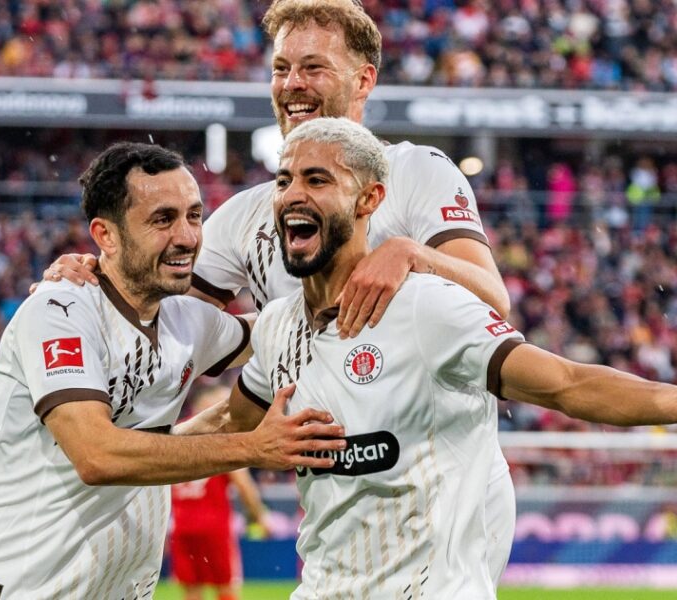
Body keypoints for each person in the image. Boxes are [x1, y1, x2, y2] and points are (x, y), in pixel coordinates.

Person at [38, 0, 516, 586]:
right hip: (339, 492)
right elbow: (156, 312)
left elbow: (494, 301)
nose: (293, 84)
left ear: (364, 79)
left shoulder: (418, 172)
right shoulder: (247, 217)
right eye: (281, 68)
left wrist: (413, 254)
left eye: (313, 68)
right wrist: (94, 270)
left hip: (445, 492)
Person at [228, 117, 677, 599]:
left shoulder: (427, 305)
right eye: (283, 180)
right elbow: (231, 428)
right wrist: (146, 447)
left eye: (317, 180)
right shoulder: (276, 326)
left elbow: (567, 383)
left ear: (369, 200)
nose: (293, 194)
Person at [0, 142, 345, 599]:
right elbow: (98, 455)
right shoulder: (59, 311)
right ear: (105, 236)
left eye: (193, 215)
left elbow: (289, 327)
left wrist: (392, 263)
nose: (188, 236)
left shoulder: (187, 321)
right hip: (13, 588)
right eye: (162, 219)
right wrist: (252, 447)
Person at [170, 385, 270, 600]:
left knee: (191, 591)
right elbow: (242, 483)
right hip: (214, 526)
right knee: (225, 588)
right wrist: (260, 516)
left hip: (182, 526)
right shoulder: (218, 436)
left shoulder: (174, 434)